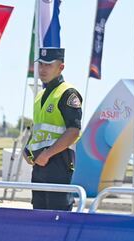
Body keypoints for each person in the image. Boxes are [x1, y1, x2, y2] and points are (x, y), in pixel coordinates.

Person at [23, 47, 82, 211]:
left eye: (48, 65)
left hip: (59, 163)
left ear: (61, 67)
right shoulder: (40, 95)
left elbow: (74, 131)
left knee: (58, 214)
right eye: (40, 64)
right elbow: (38, 129)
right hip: (39, 166)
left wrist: (47, 154)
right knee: (39, 215)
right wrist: (27, 149)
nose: (42, 69)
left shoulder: (68, 93)